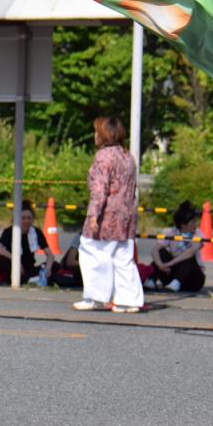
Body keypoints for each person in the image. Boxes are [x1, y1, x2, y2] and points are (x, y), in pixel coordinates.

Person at [74, 116, 144, 313]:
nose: (95, 135)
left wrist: (94, 215)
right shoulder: (127, 156)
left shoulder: (104, 156)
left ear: (105, 135)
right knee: (123, 257)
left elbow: (100, 189)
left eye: (98, 131)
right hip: (127, 214)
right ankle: (129, 300)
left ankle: (95, 297)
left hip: (107, 214)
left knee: (92, 252)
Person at [145, 201, 206, 292]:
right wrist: (160, 265)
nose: (195, 224)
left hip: (193, 279)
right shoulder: (171, 232)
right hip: (170, 273)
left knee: (188, 256)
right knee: (162, 252)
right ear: (183, 224)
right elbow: (154, 250)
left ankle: (177, 282)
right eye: (192, 222)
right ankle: (151, 280)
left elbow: (191, 252)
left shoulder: (198, 234)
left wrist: (170, 264)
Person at [0, 201, 55, 285]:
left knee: (55, 265)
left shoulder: (36, 232)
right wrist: (16, 261)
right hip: (12, 265)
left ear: (32, 220)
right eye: (23, 218)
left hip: (28, 267)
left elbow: (50, 255)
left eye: (29, 218)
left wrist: (48, 269)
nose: (26, 221)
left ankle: (31, 279)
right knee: (0, 259)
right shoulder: (10, 231)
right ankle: (29, 280)